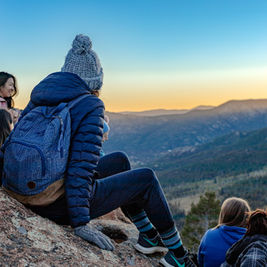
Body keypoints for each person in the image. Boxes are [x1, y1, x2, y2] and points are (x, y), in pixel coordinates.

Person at [1, 34, 196, 267]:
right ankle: (178, 255)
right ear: (94, 81)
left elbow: (12, 142)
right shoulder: (90, 104)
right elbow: (80, 168)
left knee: (120, 161)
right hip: (53, 203)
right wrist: (81, 224)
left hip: (20, 188)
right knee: (146, 178)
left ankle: (148, 236)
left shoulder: (40, 96)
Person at [198, 197, 250, 267]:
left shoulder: (209, 236)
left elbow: (200, 262)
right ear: (246, 217)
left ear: (223, 215)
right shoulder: (254, 241)